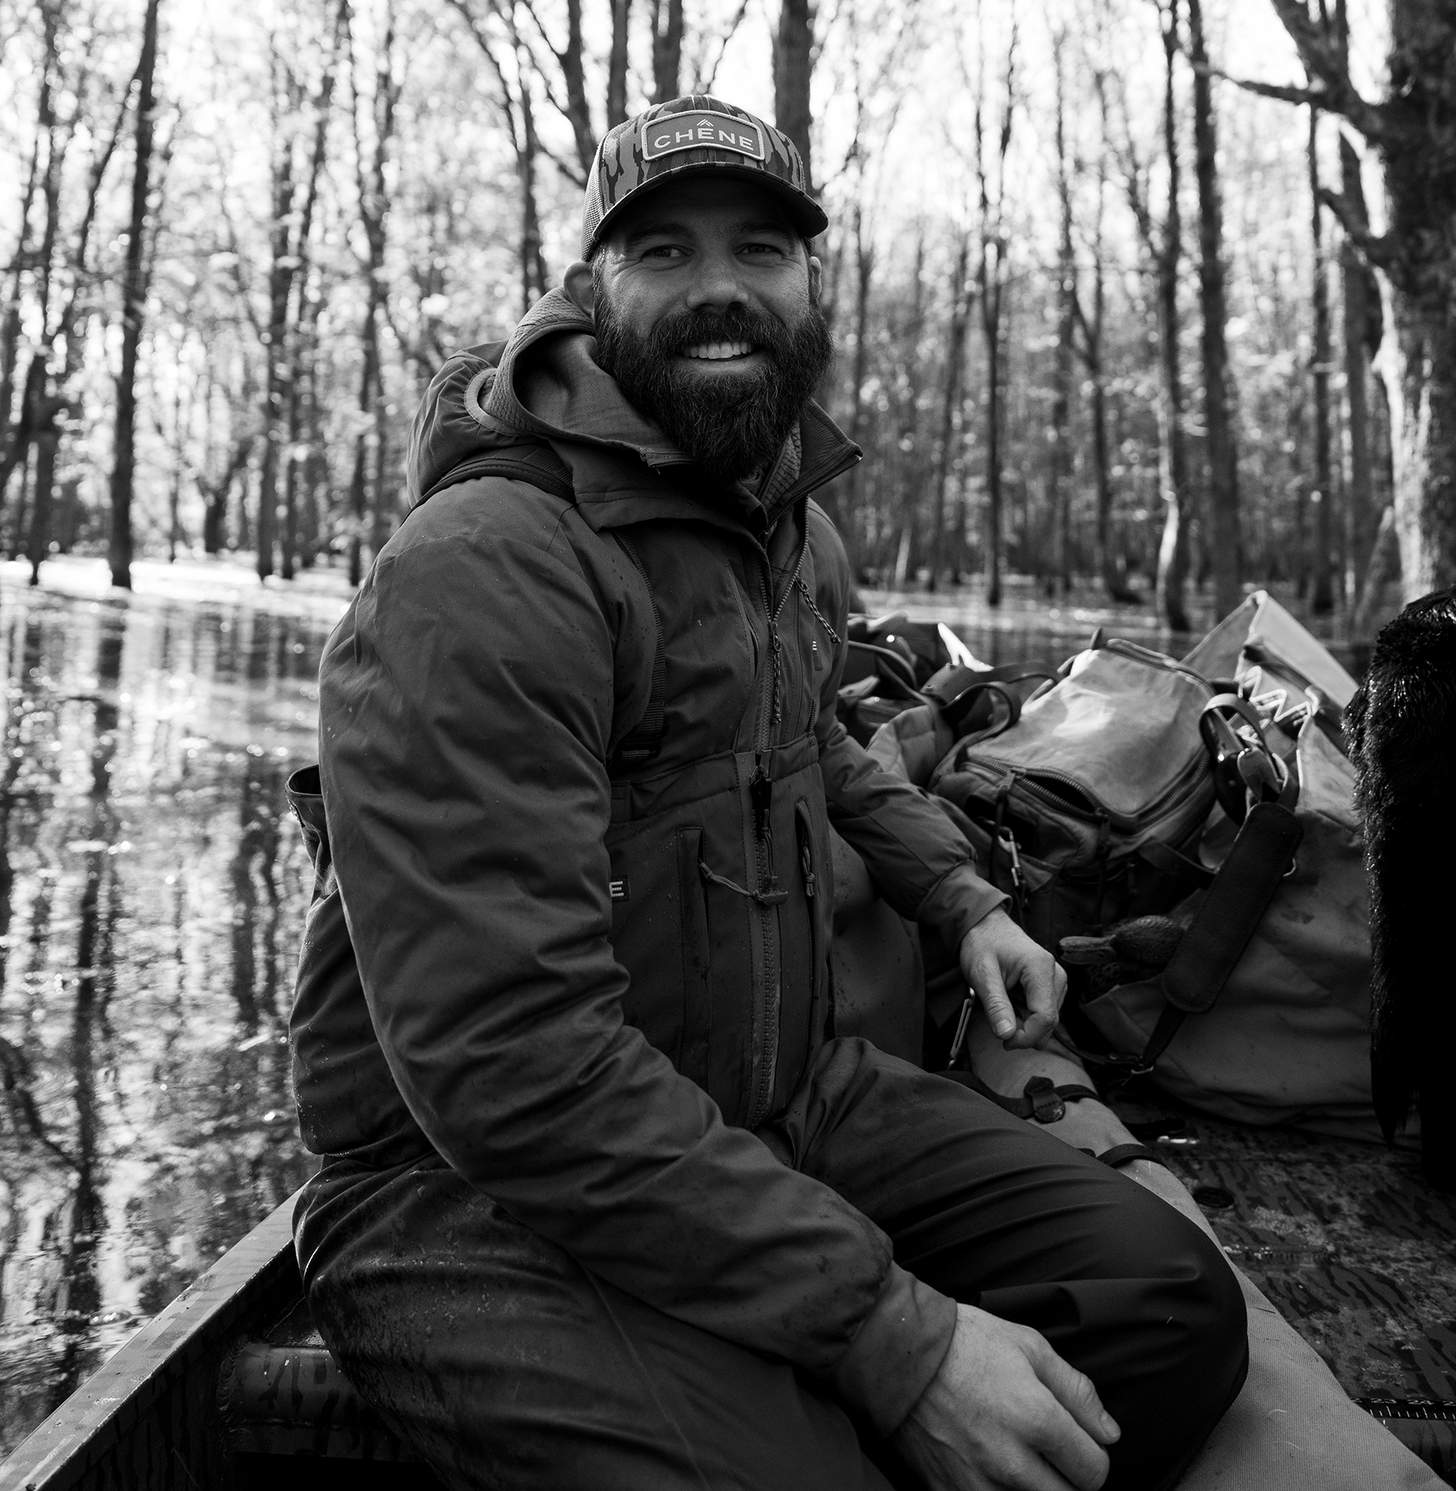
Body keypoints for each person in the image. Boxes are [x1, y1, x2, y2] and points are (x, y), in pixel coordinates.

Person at [288, 94, 1248, 1491]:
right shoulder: (487, 567)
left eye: (762, 249)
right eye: (663, 251)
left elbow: (820, 746)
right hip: (468, 1192)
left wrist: (964, 897)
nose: (720, 287)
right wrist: (897, 1338)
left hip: (782, 1097)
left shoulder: (769, 522)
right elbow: (511, 1066)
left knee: (1162, 1316)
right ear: (591, 289)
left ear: (811, 280)